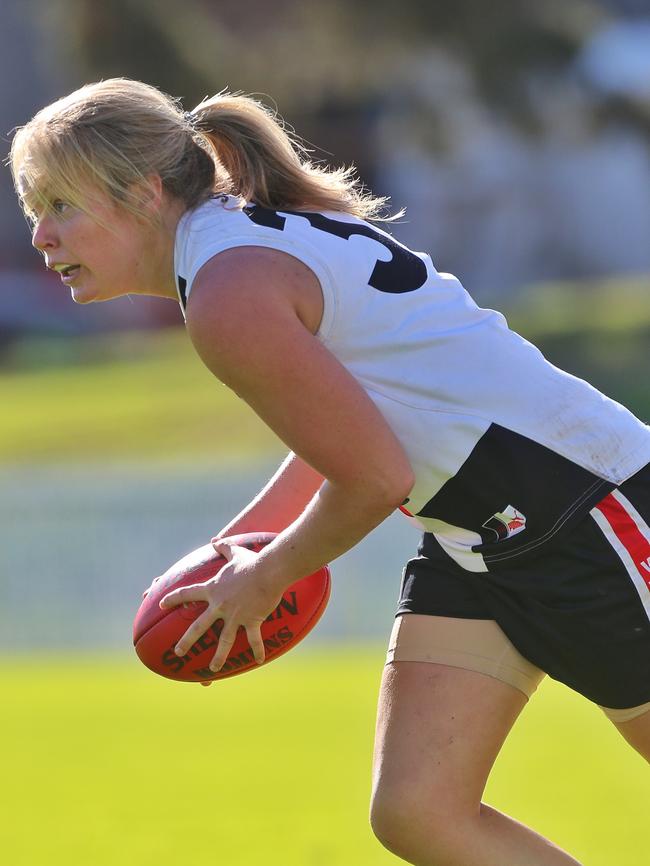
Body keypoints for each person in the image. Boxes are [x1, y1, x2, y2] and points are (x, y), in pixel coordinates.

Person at [10, 77, 650, 866]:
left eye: (60, 206)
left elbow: (373, 477)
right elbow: (345, 434)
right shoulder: (234, 246)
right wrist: (243, 544)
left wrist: (267, 574)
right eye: (34, 208)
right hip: (478, 535)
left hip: (586, 510)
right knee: (419, 811)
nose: (41, 236)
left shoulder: (226, 291)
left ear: (142, 195)